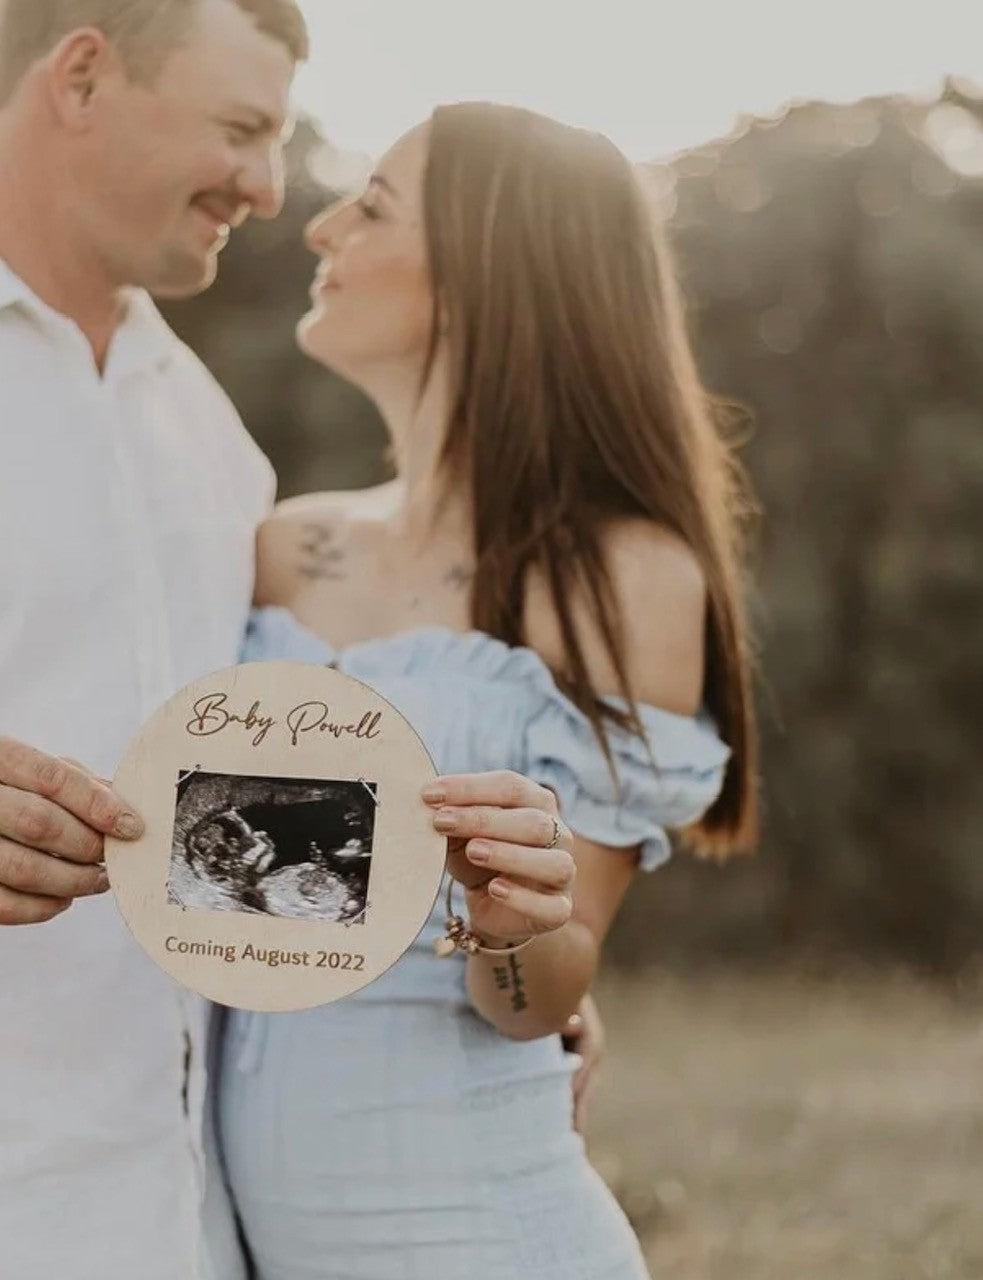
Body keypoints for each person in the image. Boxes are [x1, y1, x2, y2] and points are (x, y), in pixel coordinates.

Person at [0, 6, 600, 1276]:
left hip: (186, 1220)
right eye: (240, 129)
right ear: (86, 75)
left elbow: (246, 833)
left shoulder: (216, 451)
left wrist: (525, 953)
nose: (270, 189)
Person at [215, 103, 759, 1278]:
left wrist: (515, 926)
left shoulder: (622, 579)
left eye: (370, 206)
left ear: (480, 274)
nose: (319, 228)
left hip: (467, 1230)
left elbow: (538, 997)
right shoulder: (277, 544)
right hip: (237, 1233)